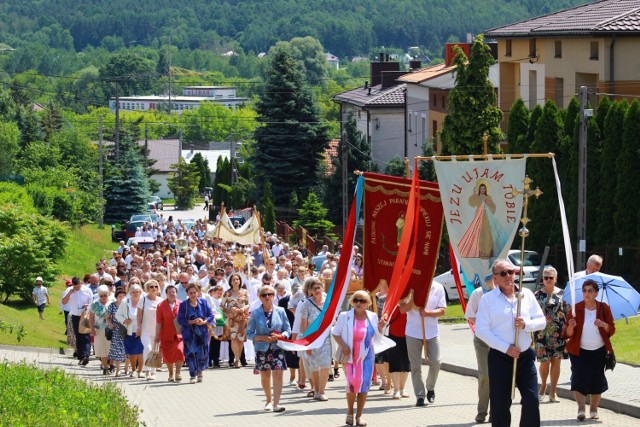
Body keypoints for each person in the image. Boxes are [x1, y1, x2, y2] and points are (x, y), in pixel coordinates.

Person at [475, 259, 546, 427]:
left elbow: (541, 321)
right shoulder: (488, 300)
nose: (508, 276)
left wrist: (526, 324)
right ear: (495, 278)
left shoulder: (526, 295)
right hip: (500, 358)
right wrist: (505, 348)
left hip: (525, 357)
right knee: (500, 405)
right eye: (503, 273)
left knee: (531, 400)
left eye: (511, 272)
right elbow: (481, 330)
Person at [332, 290, 394, 426]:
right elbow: (335, 333)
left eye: (362, 301)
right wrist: (343, 346)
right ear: (352, 301)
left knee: (364, 383)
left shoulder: (372, 316)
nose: (359, 303)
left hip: (367, 354)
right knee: (353, 383)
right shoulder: (345, 316)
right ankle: (349, 412)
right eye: (356, 300)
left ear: (368, 303)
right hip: (350, 354)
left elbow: (376, 336)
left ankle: (360, 415)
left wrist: (381, 327)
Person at [563, 279, 615, 421]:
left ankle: (593, 409)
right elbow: (567, 334)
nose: (587, 293)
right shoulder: (576, 309)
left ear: (596, 293)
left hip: (599, 351)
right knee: (579, 378)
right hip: (579, 351)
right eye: (585, 290)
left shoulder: (603, 308)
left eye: (590, 291)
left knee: (596, 380)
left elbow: (612, 329)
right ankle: (581, 408)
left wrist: (603, 324)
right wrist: (570, 327)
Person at [400, 280, 446, 407]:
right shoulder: (410, 287)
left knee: (436, 362)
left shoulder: (438, 287)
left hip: (431, 332)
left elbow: (442, 311)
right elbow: (402, 310)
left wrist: (428, 313)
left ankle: (430, 387)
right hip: (412, 332)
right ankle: (420, 396)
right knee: (415, 365)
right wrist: (412, 300)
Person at [246, 285, 291, 413]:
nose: (267, 297)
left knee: (278, 373)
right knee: (265, 374)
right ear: (260, 297)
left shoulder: (281, 311)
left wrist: (281, 336)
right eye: (264, 295)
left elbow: (288, 330)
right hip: (262, 348)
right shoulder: (255, 313)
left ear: (274, 296)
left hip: (278, 347)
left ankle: (277, 403)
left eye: (270, 294)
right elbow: (248, 333)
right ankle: (268, 401)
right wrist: (260, 337)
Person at [533, 266, 567, 403]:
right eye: (545, 277)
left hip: (558, 334)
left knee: (556, 363)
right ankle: (542, 386)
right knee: (544, 362)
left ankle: (553, 391)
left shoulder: (563, 294)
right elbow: (530, 312)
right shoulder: (536, 295)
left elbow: (568, 311)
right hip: (541, 334)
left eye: (550, 277)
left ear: (555, 279)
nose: (547, 279)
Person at [463, 276, 495, 423]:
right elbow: (469, 315)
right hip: (482, 339)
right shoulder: (478, 293)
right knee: (485, 375)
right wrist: (483, 322)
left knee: (499, 376)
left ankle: (496, 410)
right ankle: (482, 411)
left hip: (499, 340)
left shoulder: (505, 293)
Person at [299, 277, 332, 401]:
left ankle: (322, 391)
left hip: (326, 338)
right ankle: (316, 390)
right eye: (314, 288)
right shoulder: (307, 303)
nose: (317, 290)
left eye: (319, 287)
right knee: (314, 365)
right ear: (310, 290)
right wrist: (307, 343)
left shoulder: (328, 302)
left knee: (325, 364)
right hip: (312, 339)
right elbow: (303, 324)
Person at [177, 283, 214, 384]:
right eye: (191, 293)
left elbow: (211, 315)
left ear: (198, 292)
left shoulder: (204, 302)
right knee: (191, 354)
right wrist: (192, 322)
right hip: (189, 334)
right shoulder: (184, 305)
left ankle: (200, 372)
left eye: (194, 292)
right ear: (187, 294)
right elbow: (180, 319)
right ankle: (192, 375)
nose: (193, 295)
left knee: (202, 354)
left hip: (202, 333)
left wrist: (204, 321)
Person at [155, 284, 185, 382]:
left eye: (174, 292)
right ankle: (171, 373)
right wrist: (157, 335)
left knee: (179, 351)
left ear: (176, 293)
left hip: (179, 334)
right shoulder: (161, 305)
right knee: (167, 356)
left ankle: (178, 373)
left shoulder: (182, 304)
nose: (172, 294)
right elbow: (159, 321)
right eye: (169, 292)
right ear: (166, 294)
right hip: (166, 334)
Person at [61, 276, 93, 365]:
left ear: (81, 283)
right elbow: (64, 302)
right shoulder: (69, 290)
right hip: (75, 316)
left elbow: (92, 302)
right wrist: (69, 294)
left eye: (77, 286)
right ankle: (81, 356)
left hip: (85, 315)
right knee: (78, 337)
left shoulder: (87, 290)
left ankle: (86, 355)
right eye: (74, 287)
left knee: (86, 336)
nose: (76, 288)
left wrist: (88, 305)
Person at [221, 273, 249, 368]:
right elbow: (222, 306)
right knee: (233, 338)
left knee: (240, 339)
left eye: (237, 279)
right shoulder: (227, 293)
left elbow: (248, 304)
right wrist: (229, 311)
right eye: (234, 279)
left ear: (240, 281)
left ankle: (238, 358)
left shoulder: (245, 292)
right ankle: (237, 360)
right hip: (232, 319)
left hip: (242, 318)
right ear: (230, 282)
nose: (236, 281)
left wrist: (243, 308)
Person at [137, 280, 163, 380]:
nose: (154, 288)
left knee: (155, 350)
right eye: (151, 287)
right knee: (147, 348)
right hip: (145, 330)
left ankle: (153, 372)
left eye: (155, 286)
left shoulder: (160, 300)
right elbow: (139, 315)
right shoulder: (143, 300)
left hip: (157, 330)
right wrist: (139, 327)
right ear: (147, 288)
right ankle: (147, 370)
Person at [117, 283, 145, 378]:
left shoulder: (144, 301)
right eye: (133, 292)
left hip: (142, 329)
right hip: (129, 330)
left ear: (140, 292)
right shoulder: (125, 302)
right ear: (130, 293)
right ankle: (133, 370)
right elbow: (118, 315)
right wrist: (124, 320)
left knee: (141, 351)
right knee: (132, 352)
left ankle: (141, 371)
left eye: (137, 292)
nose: (136, 293)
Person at [89, 285, 114, 375]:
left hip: (111, 329)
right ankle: (105, 366)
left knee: (111, 348)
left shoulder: (112, 303)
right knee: (102, 348)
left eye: (105, 295)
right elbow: (91, 317)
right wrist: (92, 329)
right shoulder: (95, 304)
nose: (103, 297)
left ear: (108, 294)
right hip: (99, 329)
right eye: (101, 296)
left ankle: (111, 364)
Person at [106, 287, 128, 377]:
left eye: (123, 296)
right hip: (116, 330)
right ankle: (118, 370)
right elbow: (107, 317)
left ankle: (127, 368)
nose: (122, 298)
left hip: (127, 329)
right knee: (116, 349)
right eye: (120, 296)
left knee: (127, 349)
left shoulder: (128, 305)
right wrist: (110, 324)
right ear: (116, 297)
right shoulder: (112, 305)